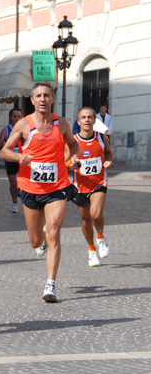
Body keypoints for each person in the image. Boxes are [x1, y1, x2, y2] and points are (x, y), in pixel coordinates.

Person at [1, 82, 81, 303]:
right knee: (35, 241)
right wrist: (19, 157)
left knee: (54, 232)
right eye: (39, 96)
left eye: (47, 95)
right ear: (32, 100)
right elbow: (5, 151)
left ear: (52, 98)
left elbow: (73, 145)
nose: (43, 99)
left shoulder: (61, 123)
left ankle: (50, 285)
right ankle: (41, 239)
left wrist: (74, 158)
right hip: (30, 189)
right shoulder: (23, 125)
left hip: (57, 187)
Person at [70, 107, 112, 267]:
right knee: (86, 220)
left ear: (94, 120)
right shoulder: (73, 141)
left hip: (99, 182)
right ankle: (91, 250)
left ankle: (100, 237)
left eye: (90, 117)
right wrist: (71, 165)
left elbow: (108, 153)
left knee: (96, 214)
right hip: (80, 186)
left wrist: (108, 161)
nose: (87, 120)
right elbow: (66, 161)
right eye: (83, 117)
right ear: (78, 121)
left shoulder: (102, 138)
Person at [0, 107, 23, 213]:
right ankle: (15, 203)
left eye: (19, 117)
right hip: (10, 160)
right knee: (13, 184)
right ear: (10, 117)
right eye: (15, 116)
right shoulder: (5, 130)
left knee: (24, 183)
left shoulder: (25, 129)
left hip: (22, 159)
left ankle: (27, 203)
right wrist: (7, 146)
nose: (17, 119)